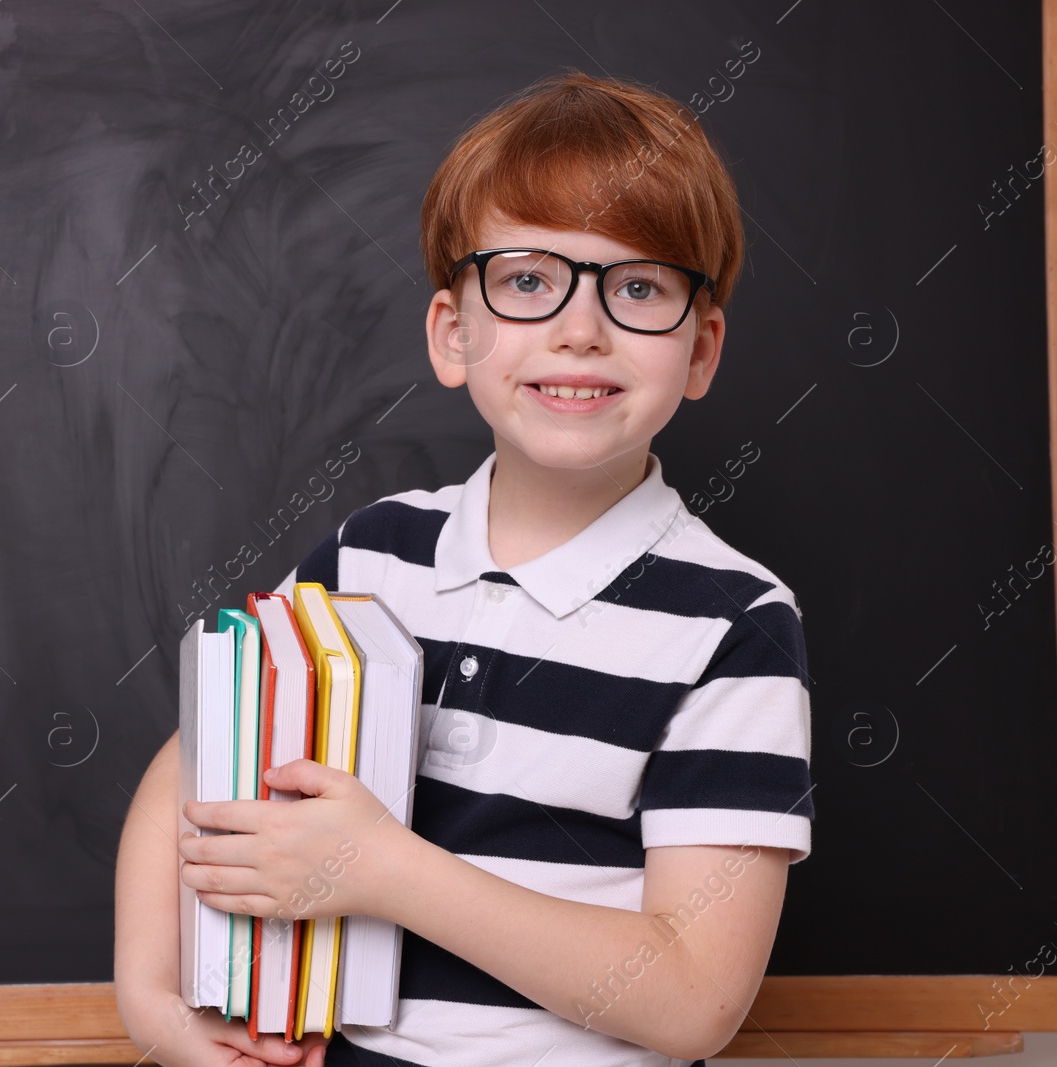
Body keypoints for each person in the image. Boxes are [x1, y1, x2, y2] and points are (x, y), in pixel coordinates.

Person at [113, 66, 813, 1067]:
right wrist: (152, 999)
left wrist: (385, 869)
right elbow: (191, 764)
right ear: (454, 334)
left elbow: (694, 997)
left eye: (638, 285)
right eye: (527, 279)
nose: (580, 327)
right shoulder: (371, 556)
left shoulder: (734, 625)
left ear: (699, 351)